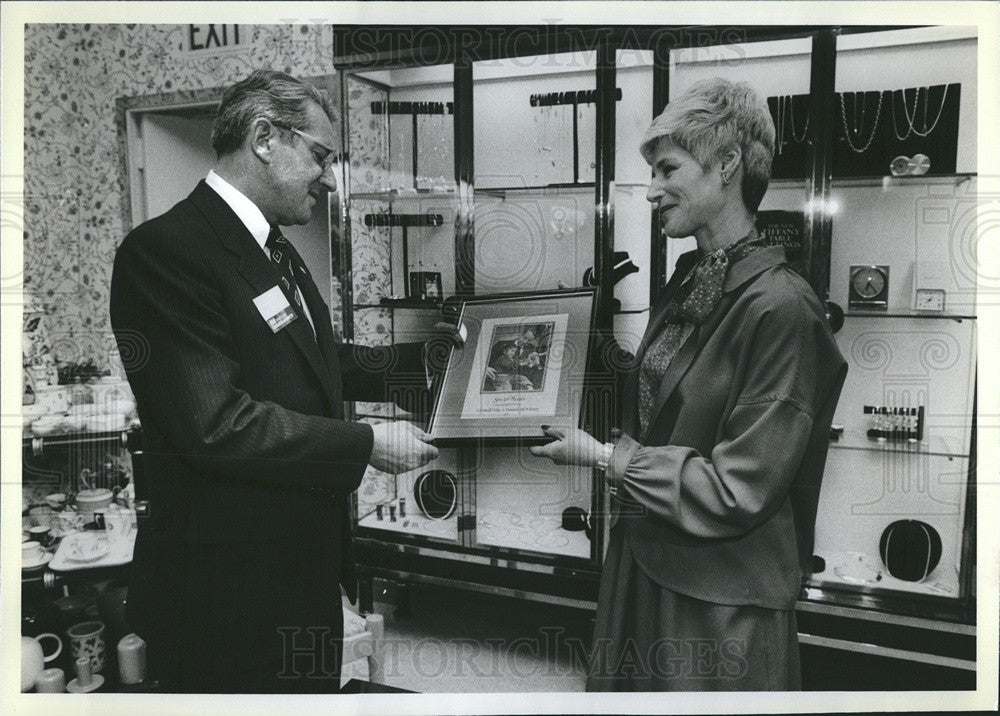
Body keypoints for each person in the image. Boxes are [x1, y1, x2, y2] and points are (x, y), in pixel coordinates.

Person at [110, 69, 456, 692]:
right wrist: (366, 444)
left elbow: (320, 360)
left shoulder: (275, 248)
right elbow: (216, 424)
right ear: (265, 138)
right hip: (222, 596)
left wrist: (433, 360)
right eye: (320, 156)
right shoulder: (166, 251)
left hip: (298, 572)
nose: (328, 176)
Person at [530, 77, 847, 691]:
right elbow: (668, 397)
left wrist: (602, 457)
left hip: (718, 599)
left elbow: (737, 489)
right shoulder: (693, 277)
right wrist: (566, 347)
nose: (650, 190)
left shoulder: (783, 309)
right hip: (648, 558)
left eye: (667, 168)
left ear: (726, 166)